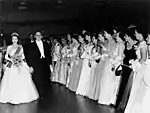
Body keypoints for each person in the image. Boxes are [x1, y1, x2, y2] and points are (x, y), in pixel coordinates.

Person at [0, 32, 39, 104]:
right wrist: (11, 60)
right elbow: (6, 56)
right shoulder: (9, 47)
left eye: (15, 39)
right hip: (11, 65)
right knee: (10, 81)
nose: (14, 40)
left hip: (19, 64)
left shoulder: (20, 47)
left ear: (17, 39)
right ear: (11, 39)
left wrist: (20, 60)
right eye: (13, 39)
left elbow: (23, 56)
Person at [24, 31, 51, 99]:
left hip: (44, 63)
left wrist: (49, 63)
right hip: (36, 64)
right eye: (37, 35)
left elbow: (49, 54)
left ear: (42, 36)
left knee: (45, 78)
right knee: (37, 79)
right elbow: (29, 56)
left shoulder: (46, 44)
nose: (38, 36)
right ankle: (40, 93)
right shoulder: (31, 45)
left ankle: (44, 93)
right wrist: (30, 66)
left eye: (40, 35)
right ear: (35, 36)